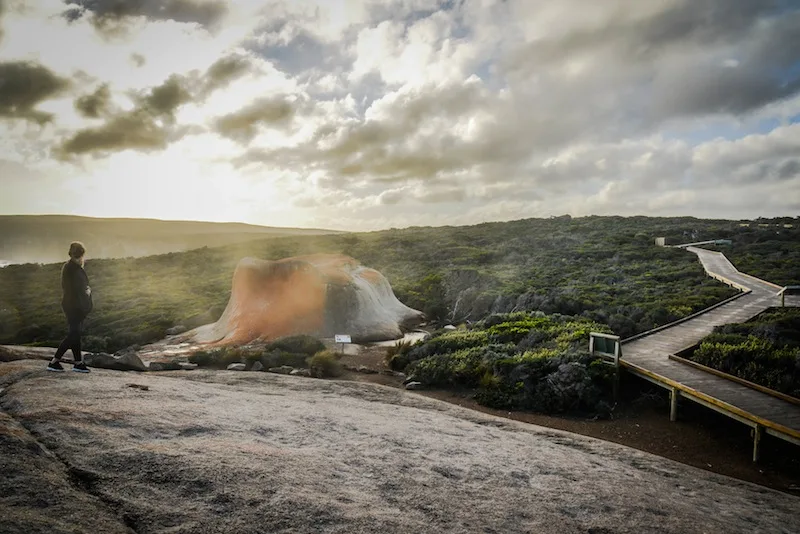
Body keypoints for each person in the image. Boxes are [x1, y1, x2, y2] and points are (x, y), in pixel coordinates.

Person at [47, 241, 93, 373]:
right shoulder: (73, 268)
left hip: (71, 305)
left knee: (76, 334)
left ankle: (78, 363)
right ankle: (54, 361)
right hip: (74, 306)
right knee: (73, 334)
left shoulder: (69, 267)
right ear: (81, 254)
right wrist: (87, 292)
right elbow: (78, 289)